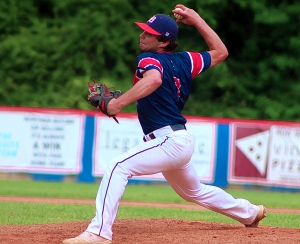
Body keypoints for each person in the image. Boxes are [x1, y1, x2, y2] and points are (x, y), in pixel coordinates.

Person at [62, 4, 266, 244]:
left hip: (168, 141)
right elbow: (220, 52)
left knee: (118, 167)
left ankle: (99, 232)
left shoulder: (149, 59)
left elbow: (155, 78)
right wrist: (198, 20)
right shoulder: (185, 61)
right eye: (144, 30)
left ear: (163, 42)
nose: (142, 34)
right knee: (194, 191)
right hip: (178, 141)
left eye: (149, 33)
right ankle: (250, 212)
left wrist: (118, 104)